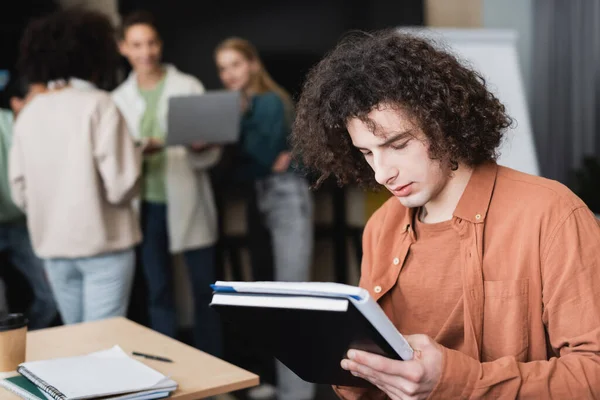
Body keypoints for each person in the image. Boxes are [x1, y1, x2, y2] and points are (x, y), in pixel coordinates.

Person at [290, 29, 600, 399]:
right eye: (367, 153)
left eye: (399, 144)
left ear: (446, 125)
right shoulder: (382, 226)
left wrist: (457, 381)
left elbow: (593, 372)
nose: (381, 172)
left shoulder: (551, 213)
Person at [9, 9, 142, 325]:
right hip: (103, 245)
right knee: (103, 343)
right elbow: (121, 186)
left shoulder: (30, 112)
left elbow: (18, 190)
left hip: (53, 247)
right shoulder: (100, 104)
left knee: (75, 340)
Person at [112, 11, 222, 357]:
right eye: (137, 44)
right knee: (158, 290)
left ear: (160, 45)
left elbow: (210, 146)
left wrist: (201, 145)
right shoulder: (117, 99)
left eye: (151, 43)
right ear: (123, 48)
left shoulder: (187, 85)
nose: (146, 52)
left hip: (187, 197)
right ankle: (168, 370)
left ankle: (215, 371)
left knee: (205, 290)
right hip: (145, 206)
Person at [215, 38, 314, 400]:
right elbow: (249, 167)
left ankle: (298, 392)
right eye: (223, 68)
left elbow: (260, 157)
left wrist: (231, 139)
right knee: (268, 297)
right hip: (261, 198)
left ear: (253, 64)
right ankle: (275, 382)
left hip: (285, 197)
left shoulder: (269, 102)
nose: (229, 74)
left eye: (235, 65)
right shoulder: (242, 107)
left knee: (291, 298)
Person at [0, 76, 56, 329]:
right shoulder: (5, 124)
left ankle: (25, 346)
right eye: (38, 100)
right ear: (16, 103)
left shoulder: (46, 130)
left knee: (52, 296)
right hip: (14, 219)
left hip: (24, 223)